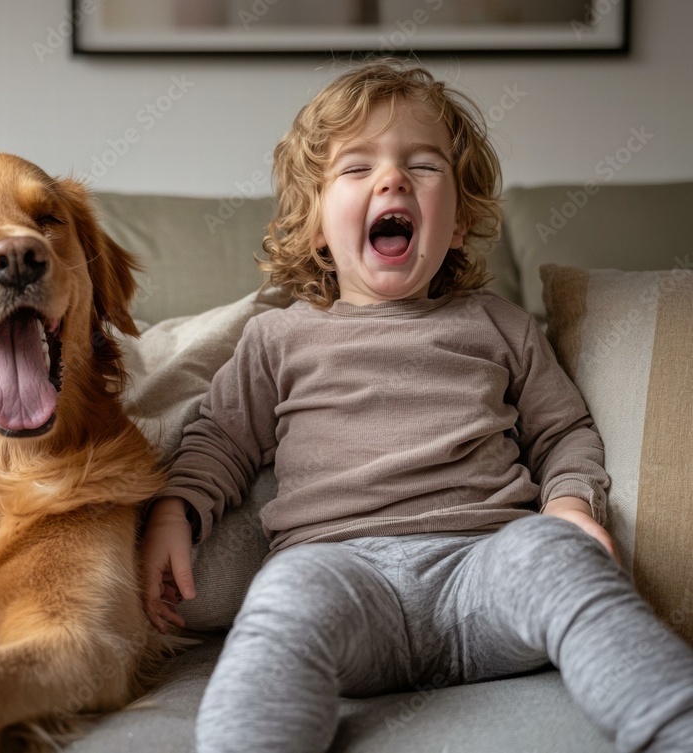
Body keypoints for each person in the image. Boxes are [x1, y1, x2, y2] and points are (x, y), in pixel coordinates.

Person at [140, 61, 693, 753]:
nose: (392, 180)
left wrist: (570, 506)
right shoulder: (278, 337)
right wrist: (174, 510)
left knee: (554, 557)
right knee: (284, 594)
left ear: (458, 222)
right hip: (345, 579)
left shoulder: (498, 323)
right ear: (314, 225)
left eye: (422, 166)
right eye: (357, 168)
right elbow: (219, 440)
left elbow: (564, 432)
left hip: (483, 567)